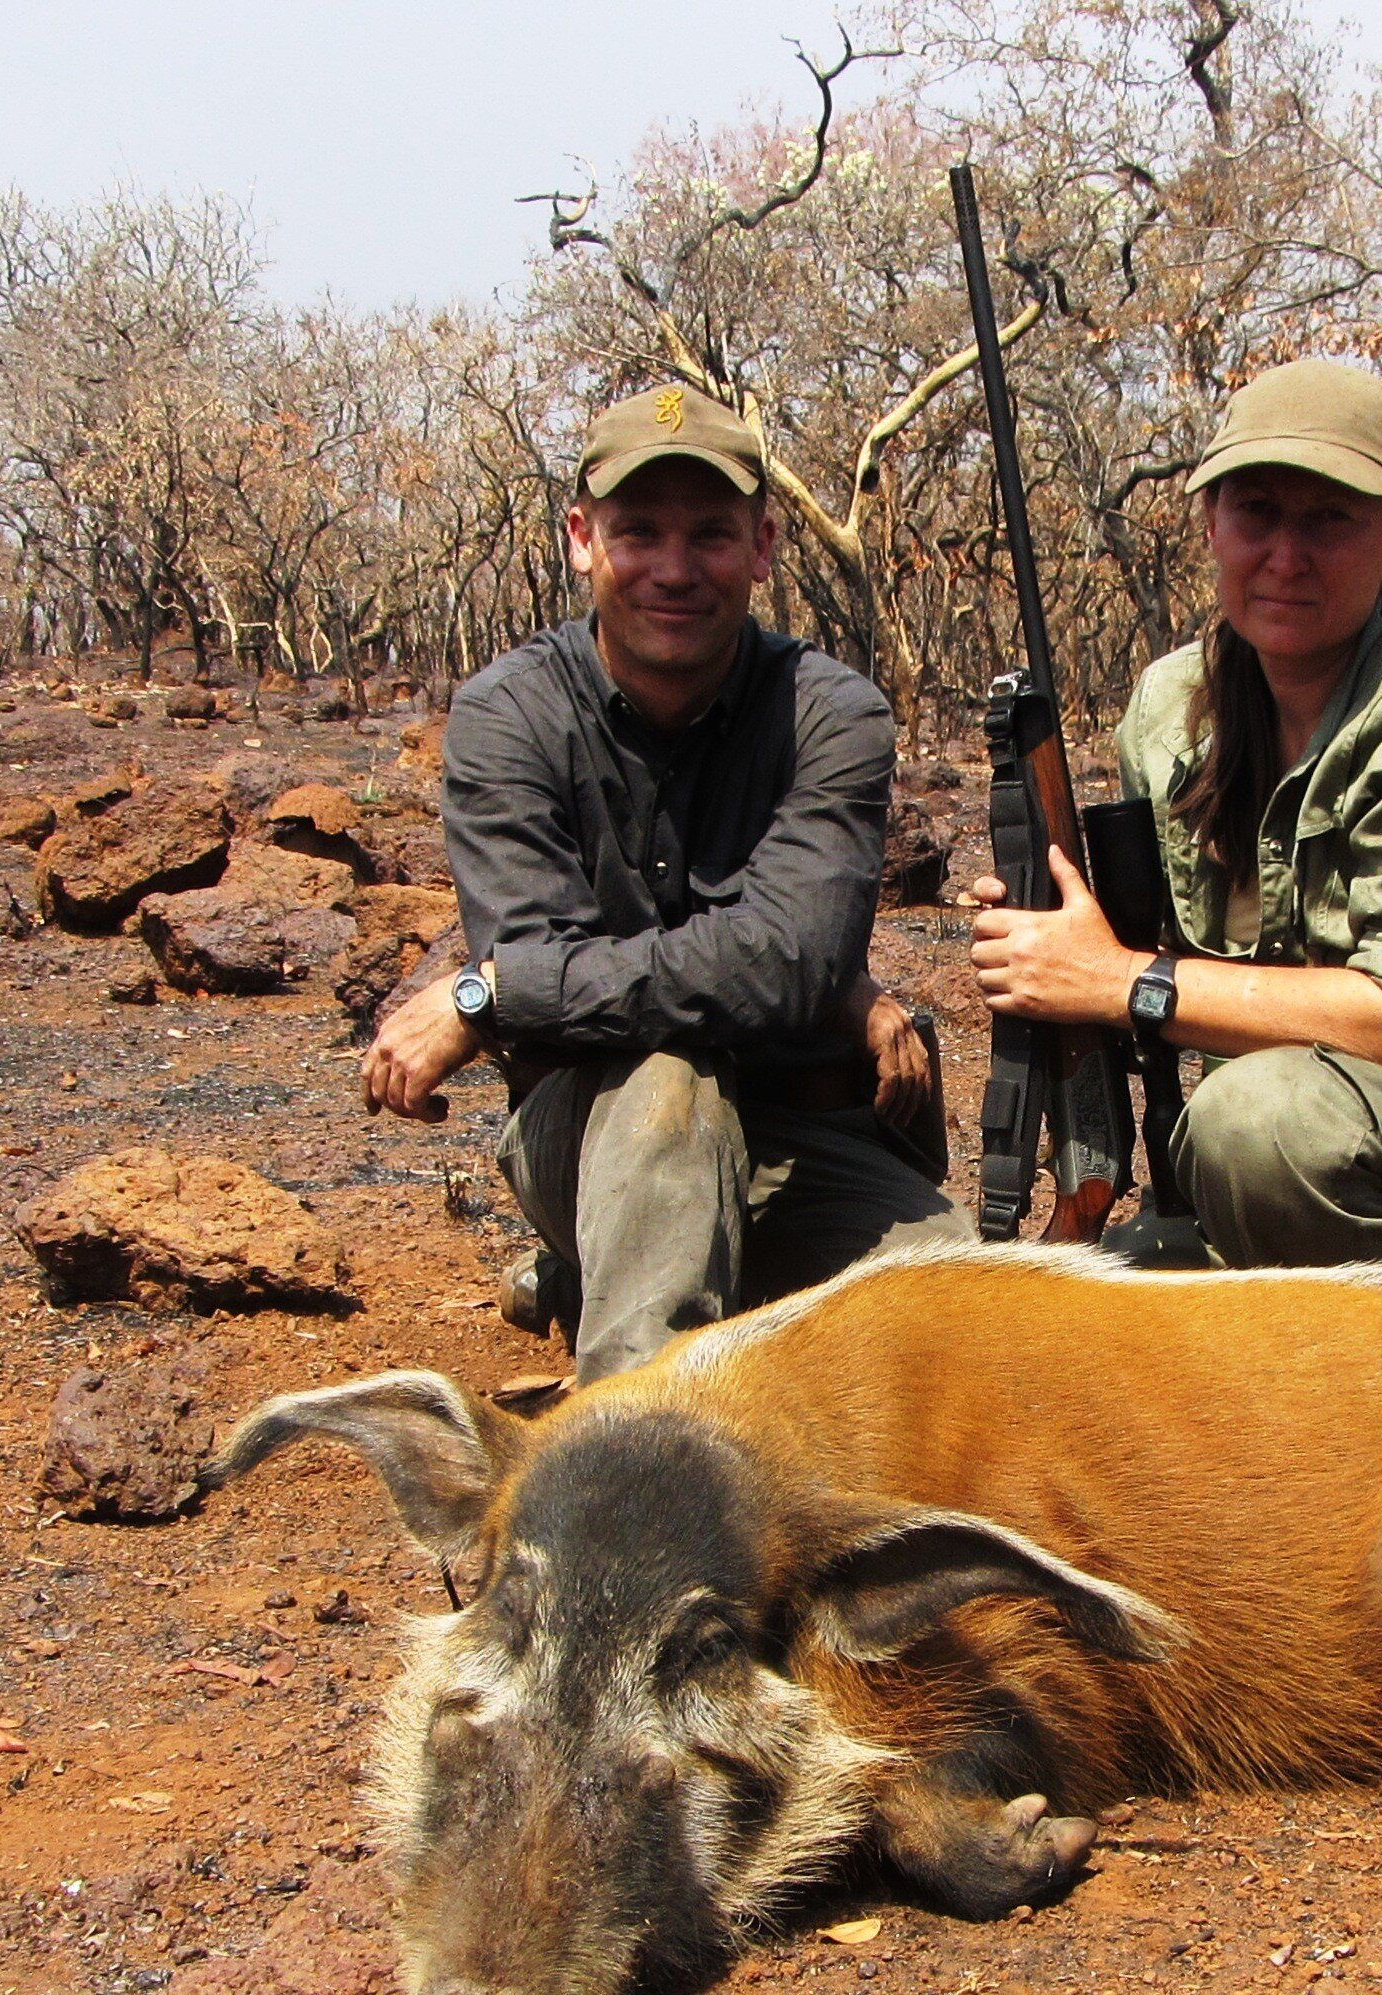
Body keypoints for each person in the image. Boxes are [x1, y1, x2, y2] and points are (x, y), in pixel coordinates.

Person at [969, 358, 1382, 1300]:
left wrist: (1119, 980)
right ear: (1210, 526)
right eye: (1256, 514)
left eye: (1328, 521)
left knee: (1256, 1125)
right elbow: (1128, 957)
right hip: (1301, 1151)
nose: (1284, 556)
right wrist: (1047, 942)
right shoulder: (1168, 707)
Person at [361, 382, 968, 1382]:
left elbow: (785, 969)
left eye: (711, 535)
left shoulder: (832, 713)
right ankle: (622, 1475)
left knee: (959, 1321)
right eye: (638, 531)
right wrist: (785, 977)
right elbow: (737, 975)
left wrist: (494, 992)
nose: (673, 569)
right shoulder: (505, 715)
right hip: (596, 1130)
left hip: (792, 1130)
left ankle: (590, 1287)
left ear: (763, 545)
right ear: (581, 538)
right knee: (667, 1090)